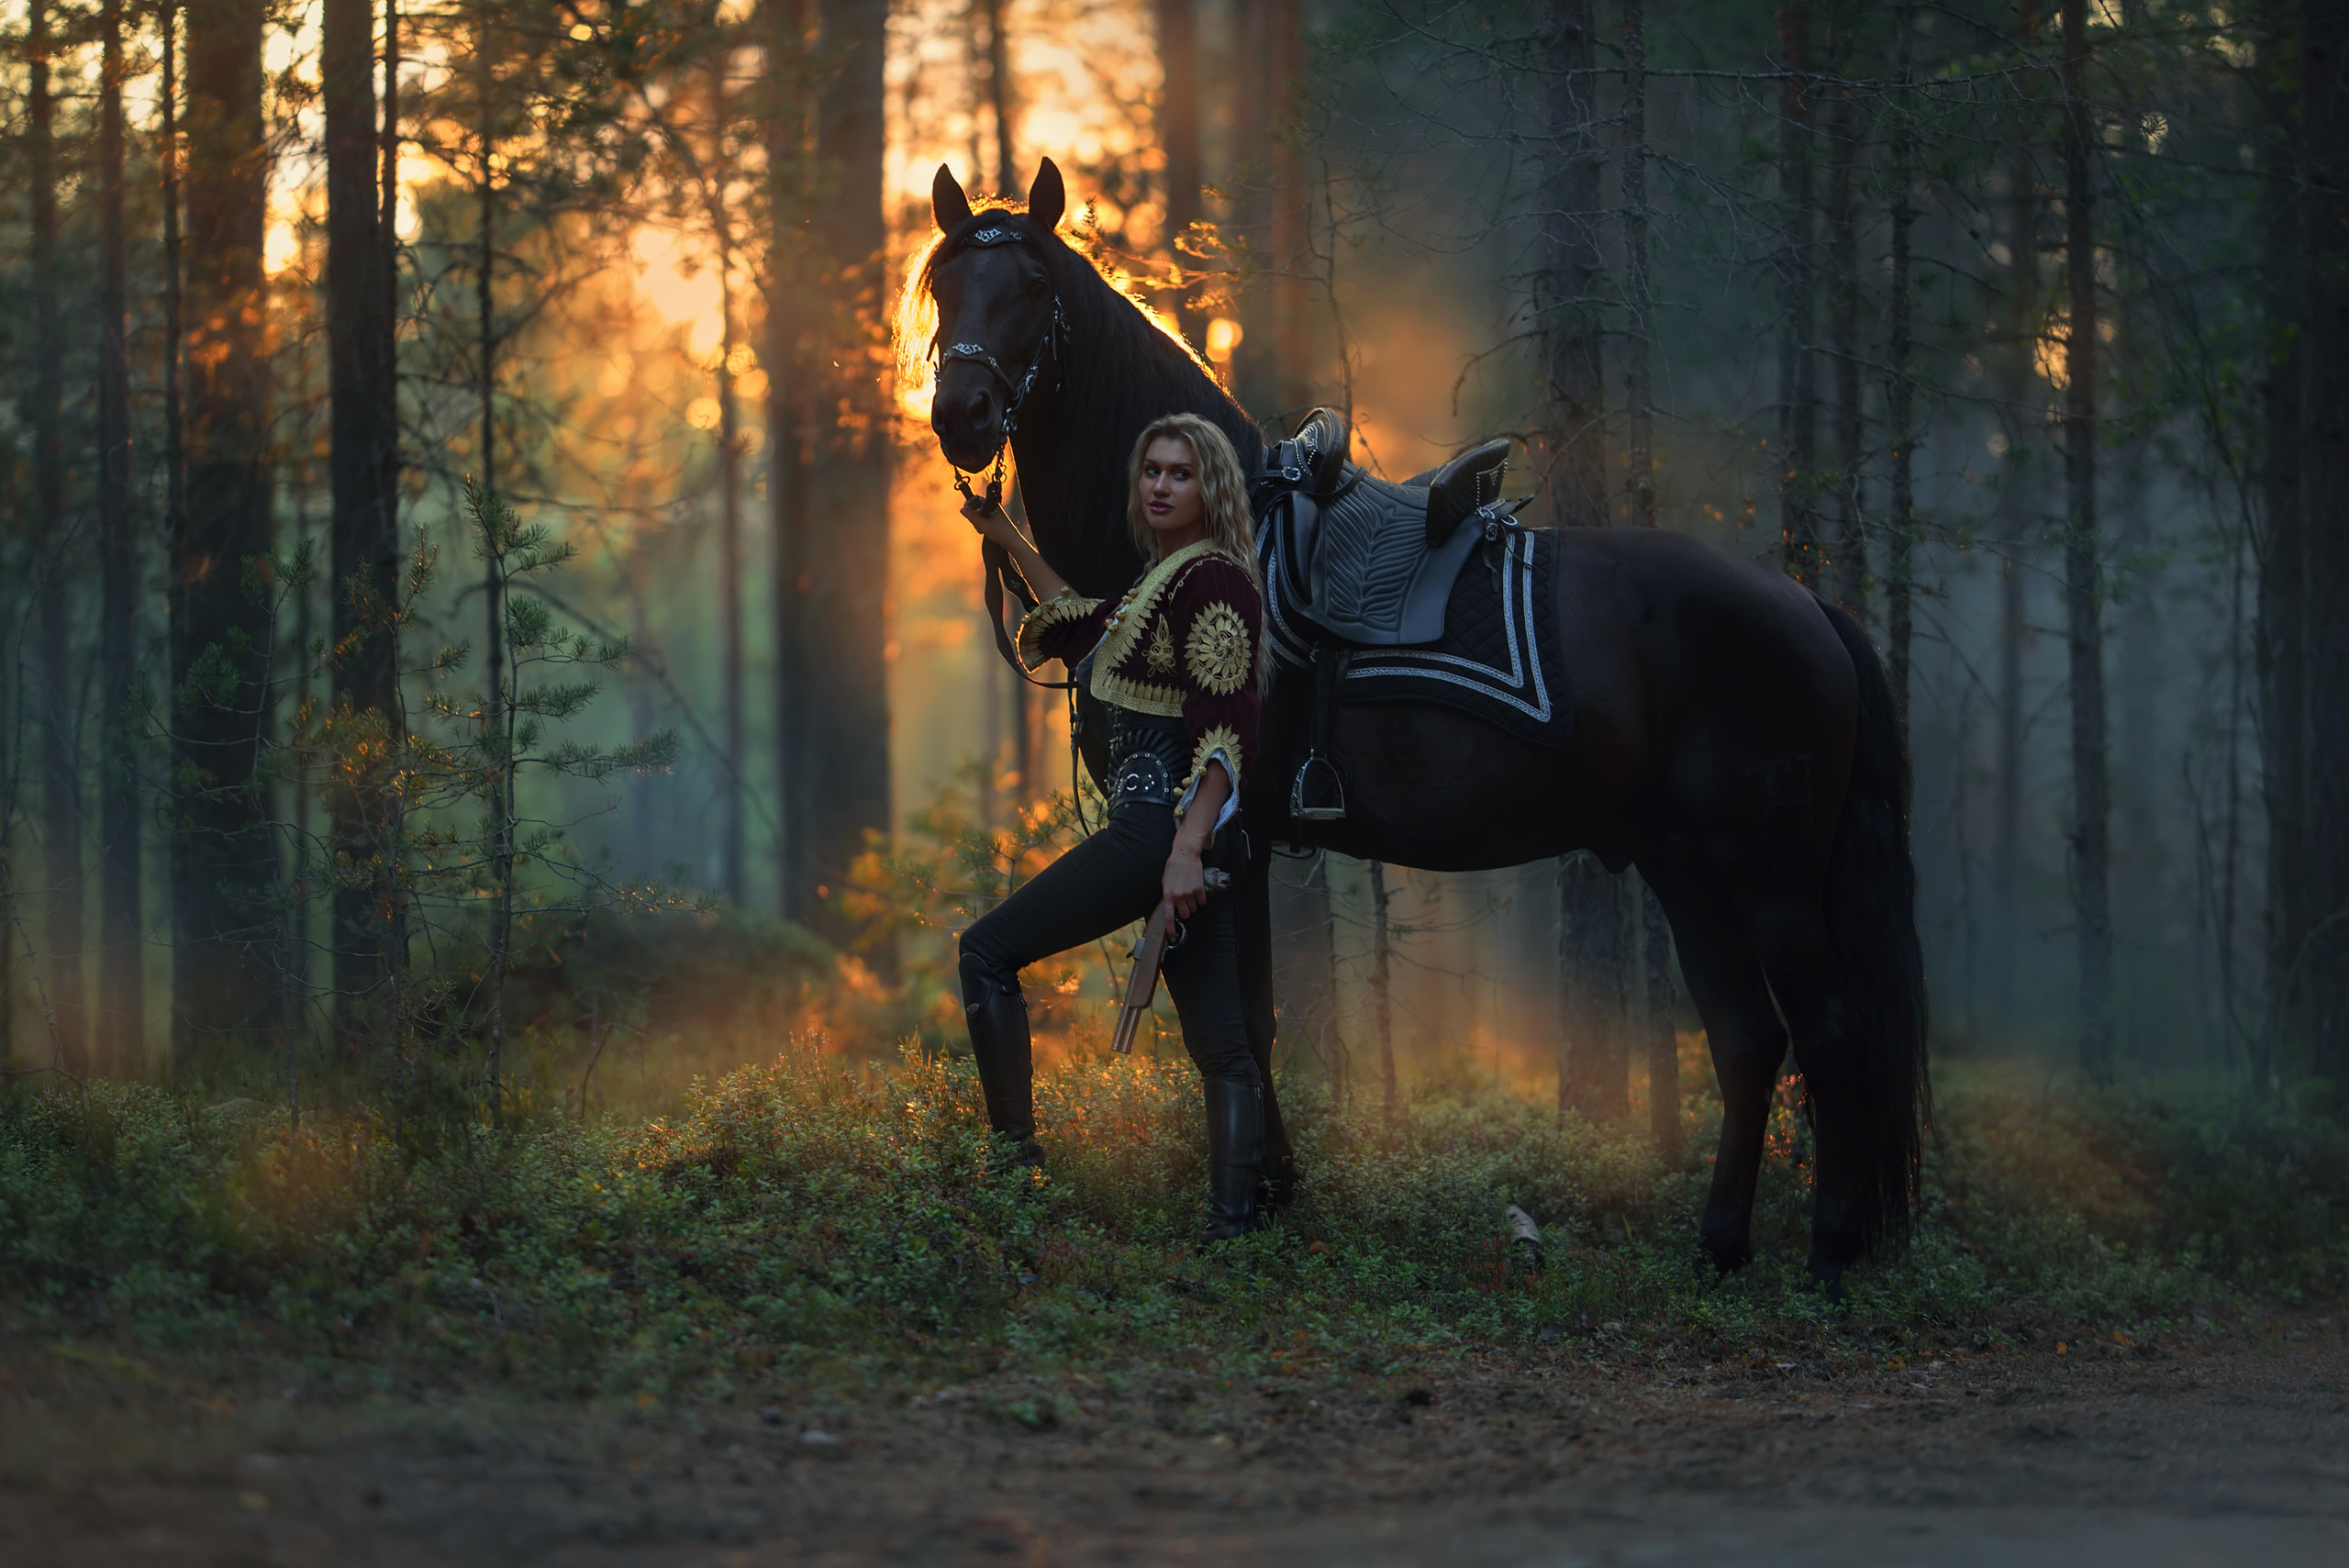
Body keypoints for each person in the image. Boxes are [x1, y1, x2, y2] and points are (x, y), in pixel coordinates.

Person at [957, 412, 1268, 1242]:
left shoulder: (1217, 582)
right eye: (1152, 471)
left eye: (1182, 473)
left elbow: (1226, 730)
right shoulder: (1157, 584)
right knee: (1222, 1047)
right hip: (1172, 844)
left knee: (985, 953)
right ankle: (1234, 1235)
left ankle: (1014, 1190)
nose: (1162, 485)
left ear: (1213, 488)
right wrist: (1001, 531)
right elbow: (1075, 621)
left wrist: (1184, 853)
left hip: (1159, 836)